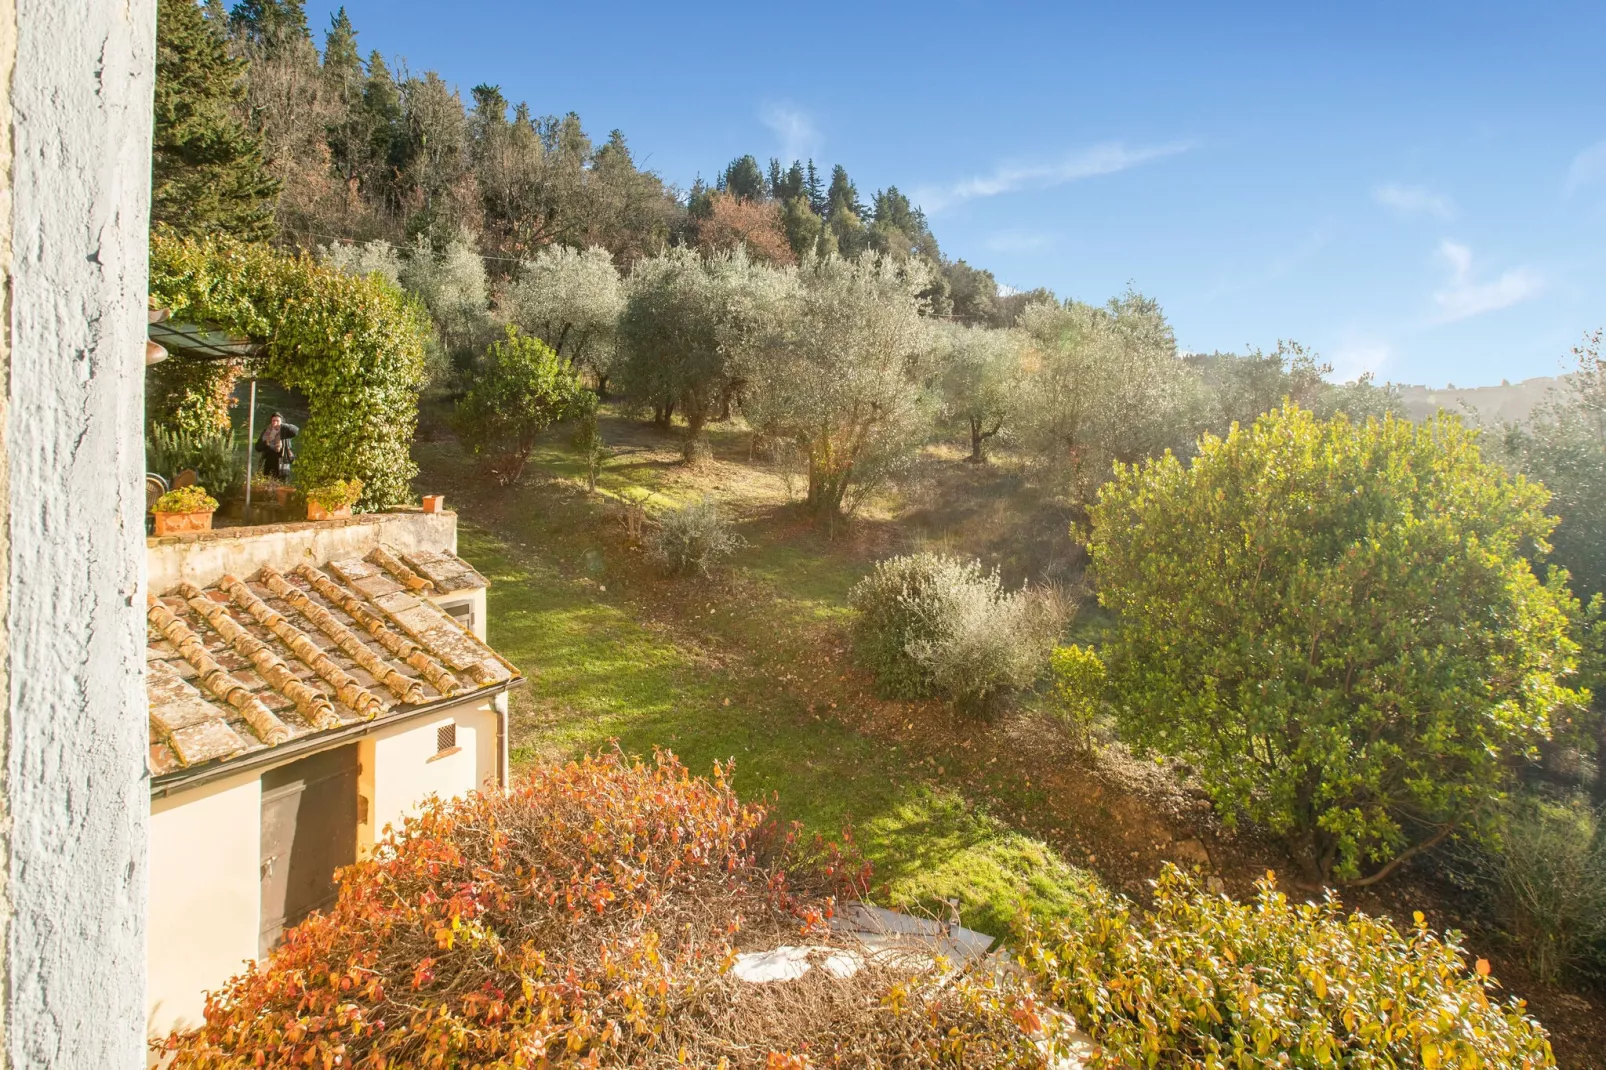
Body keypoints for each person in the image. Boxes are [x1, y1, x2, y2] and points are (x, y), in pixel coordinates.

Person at [254, 412, 299, 480]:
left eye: (277, 420)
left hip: (283, 464)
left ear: (281, 422)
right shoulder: (266, 432)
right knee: (268, 486)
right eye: (273, 420)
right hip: (269, 463)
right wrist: (266, 442)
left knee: (282, 487)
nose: (275, 422)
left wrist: (282, 426)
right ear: (271, 422)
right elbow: (258, 448)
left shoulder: (285, 431)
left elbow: (296, 430)